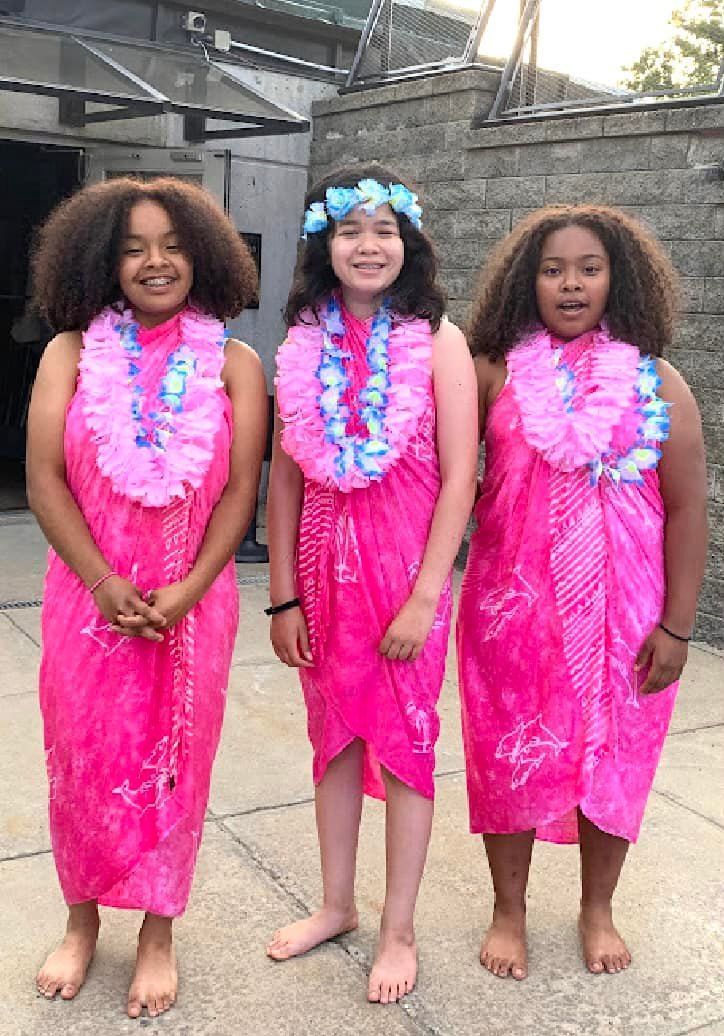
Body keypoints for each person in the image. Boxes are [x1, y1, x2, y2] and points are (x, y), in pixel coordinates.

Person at [26, 177, 267, 1017]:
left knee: (175, 765)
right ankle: (82, 919)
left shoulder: (238, 365)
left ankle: (159, 932)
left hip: (191, 601)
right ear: (103, 261)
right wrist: (102, 579)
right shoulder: (70, 352)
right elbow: (45, 478)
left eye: (170, 244)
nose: (154, 262)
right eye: (132, 248)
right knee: (82, 759)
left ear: (200, 255)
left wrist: (194, 588)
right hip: (87, 593)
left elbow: (242, 492)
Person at [456, 204, 708, 981]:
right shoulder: (491, 371)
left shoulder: (656, 380)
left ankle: (597, 907)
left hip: (625, 617)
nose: (570, 283)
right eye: (552, 269)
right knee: (509, 757)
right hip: (511, 610)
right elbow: (441, 475)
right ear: (524, 282)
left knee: (615, 760)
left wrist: (678, 625)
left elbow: (688, 505)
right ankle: (509, 909)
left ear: (617, 279)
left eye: (588, 268)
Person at [266, 165, 478, 1003]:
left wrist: (428, 593)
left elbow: (460, 476)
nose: (368, 244)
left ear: (408, 244)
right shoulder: (300, 343)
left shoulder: (440, 340)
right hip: (320, 573)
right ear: (325, 243)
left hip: (404, 579)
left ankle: (399, 929)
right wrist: (282, 593)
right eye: (351, 230)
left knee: (405, 745)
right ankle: (335, 906)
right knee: (335, 743)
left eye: (385, 229)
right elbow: (284, 480)